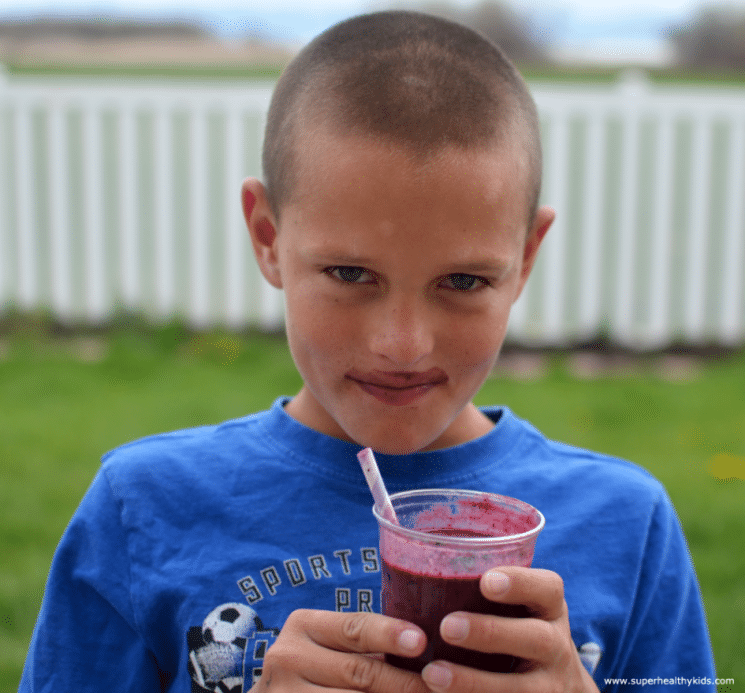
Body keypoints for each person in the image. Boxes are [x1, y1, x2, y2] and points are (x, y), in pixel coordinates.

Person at [20, 10, 715, 693]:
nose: (402, 343)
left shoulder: (627, 523)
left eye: (463, 280)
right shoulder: (142, 507)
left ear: (525, 257)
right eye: (351, 274)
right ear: (267, 236)